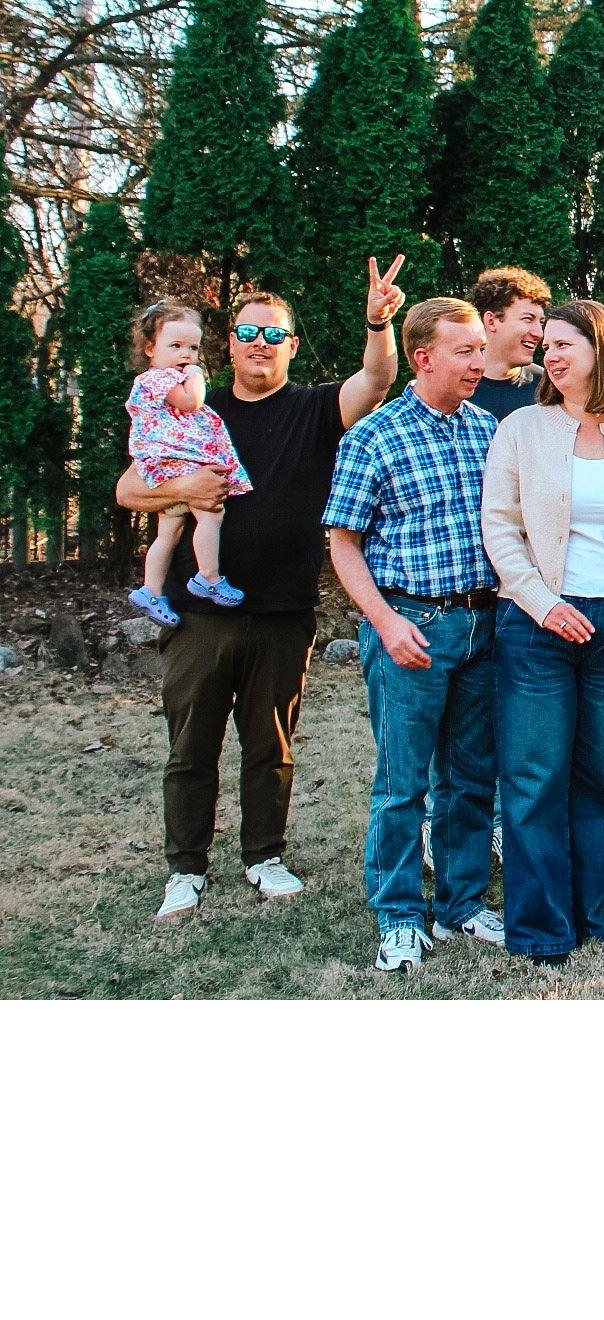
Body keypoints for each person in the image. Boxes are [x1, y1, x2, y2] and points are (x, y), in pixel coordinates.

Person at [118, 260, 405, 922]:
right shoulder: (193, 407)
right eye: (247, 332)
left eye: (273, 334)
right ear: (229, 343)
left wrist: (378, 323)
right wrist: (185, 488)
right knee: (191, 748)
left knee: (270, 747)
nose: (259, 343)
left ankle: (264, 857)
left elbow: (377, 380)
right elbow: (129, 489)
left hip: (282, 612)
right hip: (198, 616)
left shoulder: (315, 409)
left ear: (291, 346)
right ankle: (186, 868)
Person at [482, 300, 604, 967]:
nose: (551, 356)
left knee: (600, 776)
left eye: (564, 344)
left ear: (601, 348)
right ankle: (541, 926)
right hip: (536, 628)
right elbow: (500, 526)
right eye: (547, 347)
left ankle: (590, 913)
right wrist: (541, 603)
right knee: (534, 776)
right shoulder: (521, 429)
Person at [324, 297, 502, 973]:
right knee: (403, 784)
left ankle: (461, 903)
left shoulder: (486, 429)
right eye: (466, 351)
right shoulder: (375, 436)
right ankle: (399, 913)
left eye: (481, 348)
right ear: (423, 358)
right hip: (411, 627)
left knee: (470, 778)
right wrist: (384, 621)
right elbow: (343, 543)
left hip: (483, 626)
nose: (479, 362)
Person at [124, 299, 254, 624]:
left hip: (166, 461)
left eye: (193, 348)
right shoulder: (160, 378)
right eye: (176, 346)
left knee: (169, 532)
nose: (186, 355)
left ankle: (151, 590)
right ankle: (208, 577)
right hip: (176, 458)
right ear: (150, 348)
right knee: (211, 512)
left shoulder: (156, 379)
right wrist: (196, 375)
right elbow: (192, 402)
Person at [469, 266, 551, 421]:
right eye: (528, 319)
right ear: (491, 321)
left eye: (541, 322)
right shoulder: (457, 387)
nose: (539, 333)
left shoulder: (547, 388)